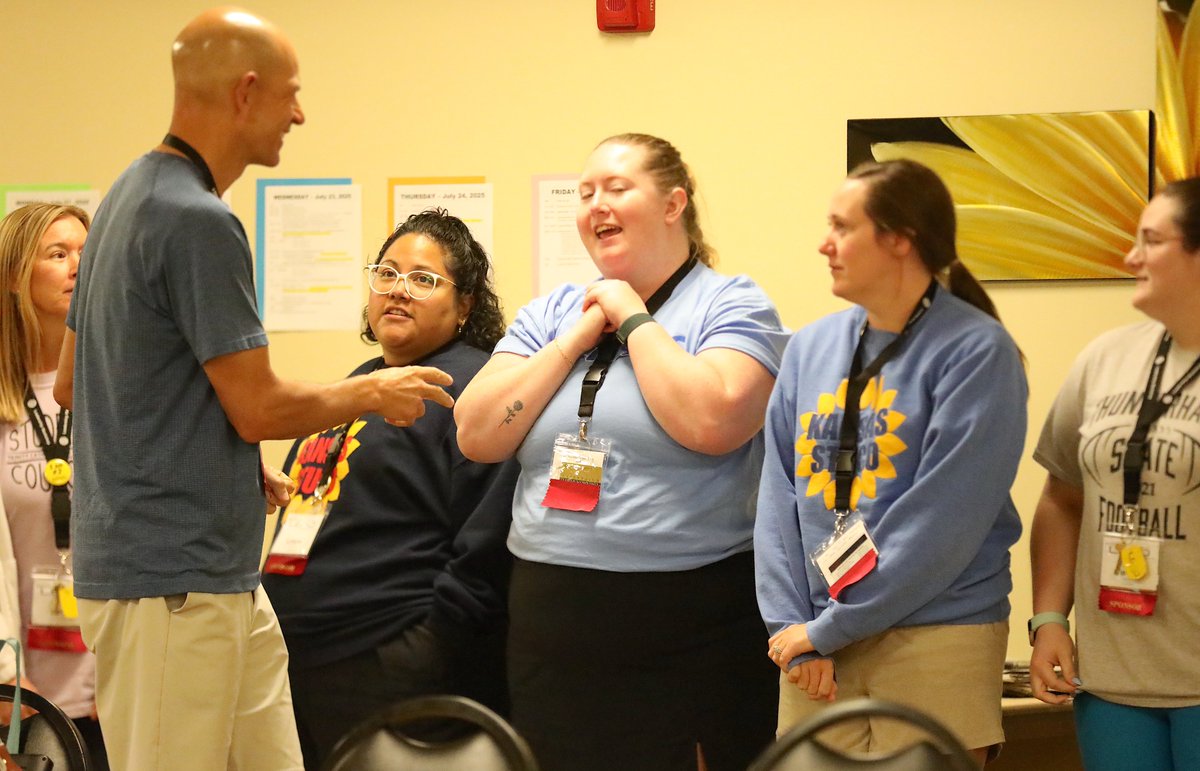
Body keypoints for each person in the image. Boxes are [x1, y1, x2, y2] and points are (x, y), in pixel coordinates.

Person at [54, 8, 454, 770]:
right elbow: (258, 405)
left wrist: (222, 465)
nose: (299, 113)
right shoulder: (197, 219)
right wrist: (374, 393)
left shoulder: (125, 198)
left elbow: (81, 383)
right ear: (245, 93)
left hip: (213, 575)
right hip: (174, 583)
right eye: (290, 94)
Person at [455, 132, 790, 771]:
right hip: (550, 614)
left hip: (688, 620)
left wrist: (634, 320)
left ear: (673, 204)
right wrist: (572, 339)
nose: (595, 206)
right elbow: (477, 432)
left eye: (616, 188)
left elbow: (713, 419)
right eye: (584, 194)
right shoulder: (556, 310)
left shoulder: (731, 303)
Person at [755, 159, 1026, 764]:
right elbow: (776, 497)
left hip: (936, 633)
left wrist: (828, 629)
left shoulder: (977, 351)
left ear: (900, 239)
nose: (824, 244)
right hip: (814, 646)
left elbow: (943, 522)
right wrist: (791, 631)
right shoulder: (811, 347)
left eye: (842, 227)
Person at [262, 209, 518, 769]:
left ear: (466, 304)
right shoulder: (361, 380)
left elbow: (489, 537)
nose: (398, 291)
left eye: (423, 279)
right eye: (387, 274)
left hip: (388, 660)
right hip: (298, 656)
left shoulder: (473, 387)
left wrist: (430, 645)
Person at [1030, 178, 1200, 770]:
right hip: (1112, 683)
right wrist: (1049, 619)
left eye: (1151, 241)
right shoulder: (1105, 358)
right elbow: (1061, 500)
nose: (1130, 258)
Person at [0, 203, 108, 768]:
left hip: (113, 677)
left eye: (87, 255)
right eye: (58, 254)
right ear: (17, 275)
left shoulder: (114, 386)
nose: (77, 268)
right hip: (18, 687)